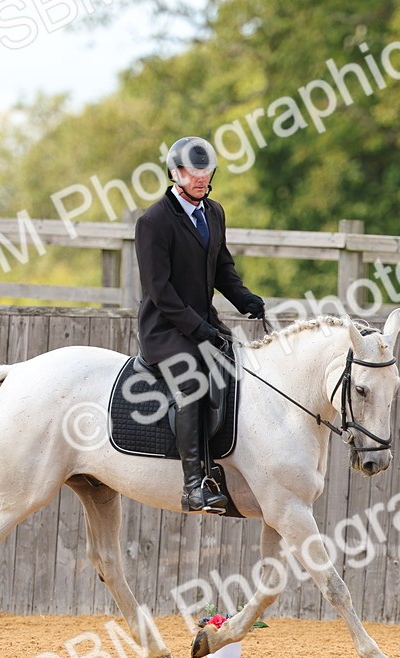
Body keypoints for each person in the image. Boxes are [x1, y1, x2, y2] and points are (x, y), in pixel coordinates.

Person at [135, 136, 266, 513]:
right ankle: (194, 485)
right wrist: (197, 328)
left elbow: (222, 268)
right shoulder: (153, 221)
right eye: (193, 173)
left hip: (203, 324)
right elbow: (160, 290)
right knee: (192, 383)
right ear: (176, 173)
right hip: (165, 330)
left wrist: (244, 298)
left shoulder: (214, 212)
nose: (201, 179)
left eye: (206, 172)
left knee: (242, 374)